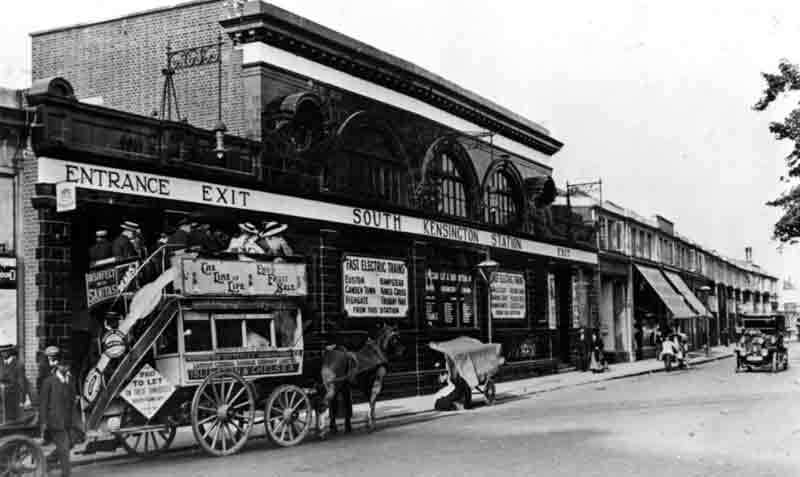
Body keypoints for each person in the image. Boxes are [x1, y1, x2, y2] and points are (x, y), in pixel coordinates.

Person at [39, 351, 77, 477]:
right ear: (57, 366)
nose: (65, 368)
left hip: (68, 421)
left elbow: (73, 401)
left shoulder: (70, 380)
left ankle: (47, 461)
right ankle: (66, 474)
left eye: (67, 366)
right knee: (65, 448)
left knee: (72, 442)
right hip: (55, 421)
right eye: (62, 365)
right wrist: (44, 423)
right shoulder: (49, 382)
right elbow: (43, 404)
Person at [0, 345, 31, 421]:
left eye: (6, 351)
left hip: (14, 397)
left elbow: (22, 383)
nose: (3, 353)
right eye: (2, 352)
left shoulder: (18, 365)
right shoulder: (0, 364)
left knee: (12, 420)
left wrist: (22, 400)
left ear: (11, 352)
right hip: (1, 397)